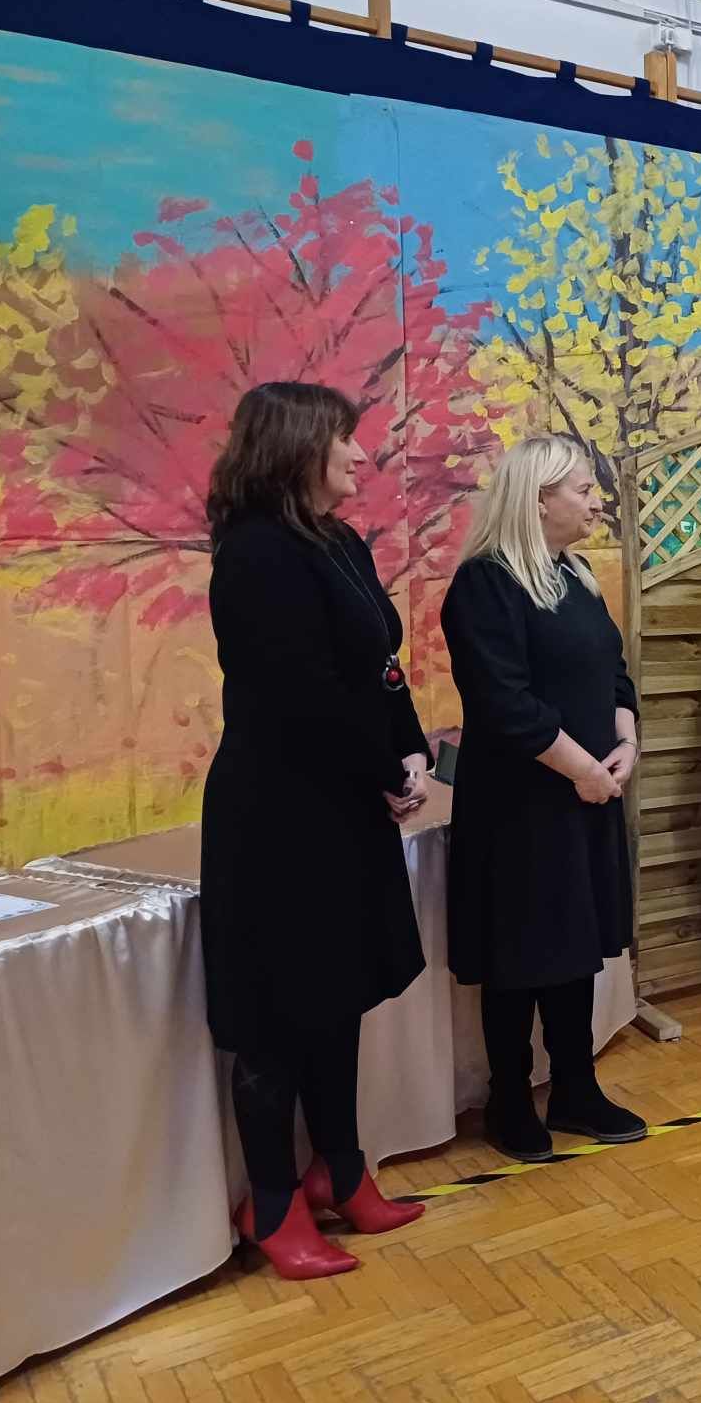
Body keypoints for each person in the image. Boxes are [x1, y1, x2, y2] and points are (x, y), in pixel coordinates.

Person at [201, 381, 429, 1281]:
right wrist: (383, 769)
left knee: (339, 994)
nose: (361, 455)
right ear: (299, 447)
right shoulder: (255, 554)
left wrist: (410, 750)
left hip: (341, 805)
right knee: (276, 1012)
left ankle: (340, 1170)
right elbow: (299, 697)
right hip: (277, 816)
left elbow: (378, 667)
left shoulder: (338, 542)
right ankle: (271, 1202)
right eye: (346, 440)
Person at [442, 434, 647, 1162]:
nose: (596, 502)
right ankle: (509, 1098)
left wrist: (625, 740)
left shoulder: (578, 575)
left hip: (584, 795)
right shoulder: (485, 584)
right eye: (583, 490)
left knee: (574, 947)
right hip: (520, 807)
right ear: (537, 500)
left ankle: (575, 1088)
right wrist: (582, 769)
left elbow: (613, 673)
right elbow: (504, 703)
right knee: (520, 954)